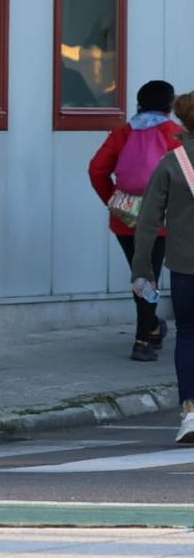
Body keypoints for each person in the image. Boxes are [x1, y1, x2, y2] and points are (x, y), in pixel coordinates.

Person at [91, 79, 181, 360]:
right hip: (161, 218)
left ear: (139, 103)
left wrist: (115, 201)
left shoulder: (123, 133)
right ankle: (143, 340)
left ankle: (151, 329)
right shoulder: (174, 133)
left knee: (140, 275)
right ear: (170, 105)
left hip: (125, 218)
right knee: (148, 275)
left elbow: (96, 169)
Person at [131, 90, 194, 445]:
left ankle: (190, 412)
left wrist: (143, 269)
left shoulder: (174, 162)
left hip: (185, 265)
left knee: (187, 335)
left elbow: (149, 221)